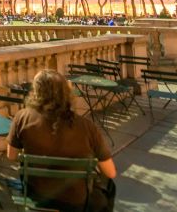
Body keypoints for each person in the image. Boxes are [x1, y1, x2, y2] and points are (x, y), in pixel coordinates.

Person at [7, 69, 116, 212]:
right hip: (76, 202)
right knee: (108, 186)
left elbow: (11, 156)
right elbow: (110, 172)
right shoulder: (87, 127)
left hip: (36, 197)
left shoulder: (22, 118)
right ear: (66, 93)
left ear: (36, 92)